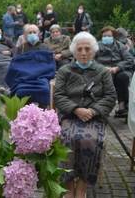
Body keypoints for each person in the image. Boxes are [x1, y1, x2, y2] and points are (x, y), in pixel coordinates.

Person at [54, 32, 116, 198]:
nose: (83, 52)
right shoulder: (65, 71)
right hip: (70, 116)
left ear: (93, 51)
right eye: (79, 49)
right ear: (74, 51)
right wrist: (76, 109)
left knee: (90, 140)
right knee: (66, 140)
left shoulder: (102, 72)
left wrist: (93, 111)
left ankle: (82, 186)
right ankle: (68, 186)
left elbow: (110, 96)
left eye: (87, 49)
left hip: (94, 118)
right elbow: (58, 95)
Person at [95, 26, 134, 117]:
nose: (106, 38)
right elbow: (91, 60)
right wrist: (102, 68)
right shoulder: (96, 46)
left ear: (113, 36)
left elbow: (129, 60)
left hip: (118, 70)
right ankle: (102, 107)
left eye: (108, 36)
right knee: (101, 78)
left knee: (122, 77)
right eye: (104, 36)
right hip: (101, 70)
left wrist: (117, 68)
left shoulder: (120, 46)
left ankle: (122, 106)